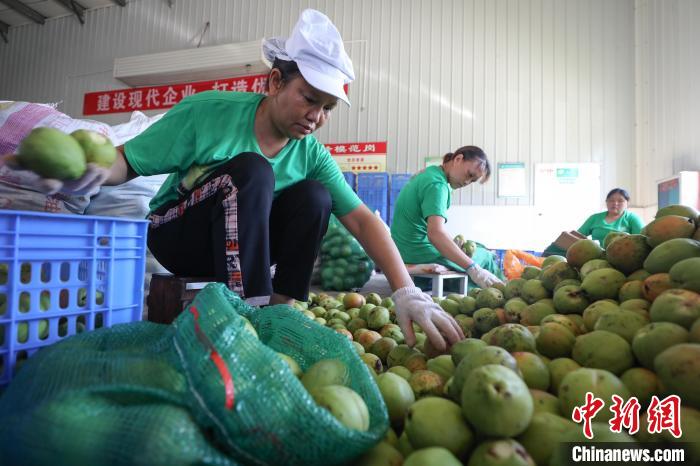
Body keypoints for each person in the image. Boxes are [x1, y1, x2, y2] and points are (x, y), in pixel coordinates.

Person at [3, 9, 462, 351]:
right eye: (308, 98)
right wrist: (96, 173)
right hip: (177, 235)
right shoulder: (209, 113)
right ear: (275, 81)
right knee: (250, 170)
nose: (316, 116)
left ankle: (281, 313)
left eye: (327, 108)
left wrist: (406, 291)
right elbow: (128, 161)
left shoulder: (310, 152)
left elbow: (363, 221)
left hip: (242, 247)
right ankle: (253, 315)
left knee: (315, 195)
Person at [390, 146, 503, 289]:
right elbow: (435, 233)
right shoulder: (438, 185)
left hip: (402, 249)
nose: (467, 182)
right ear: (458, 159)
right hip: (417, 251)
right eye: (469, 174)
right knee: (485, 256)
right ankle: (502, 292)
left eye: (473, 180)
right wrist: (474, 269)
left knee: (475, 247)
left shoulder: (430, 173)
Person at [542, 187, 644, 255]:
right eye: (611, 200)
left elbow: (642, 240)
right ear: (606, 202)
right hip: (598, 255)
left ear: (627, 203)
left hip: (622, 255)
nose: (615, 203)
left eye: (620, 201)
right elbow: (577, 236)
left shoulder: (632, 218)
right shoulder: (595, 218)